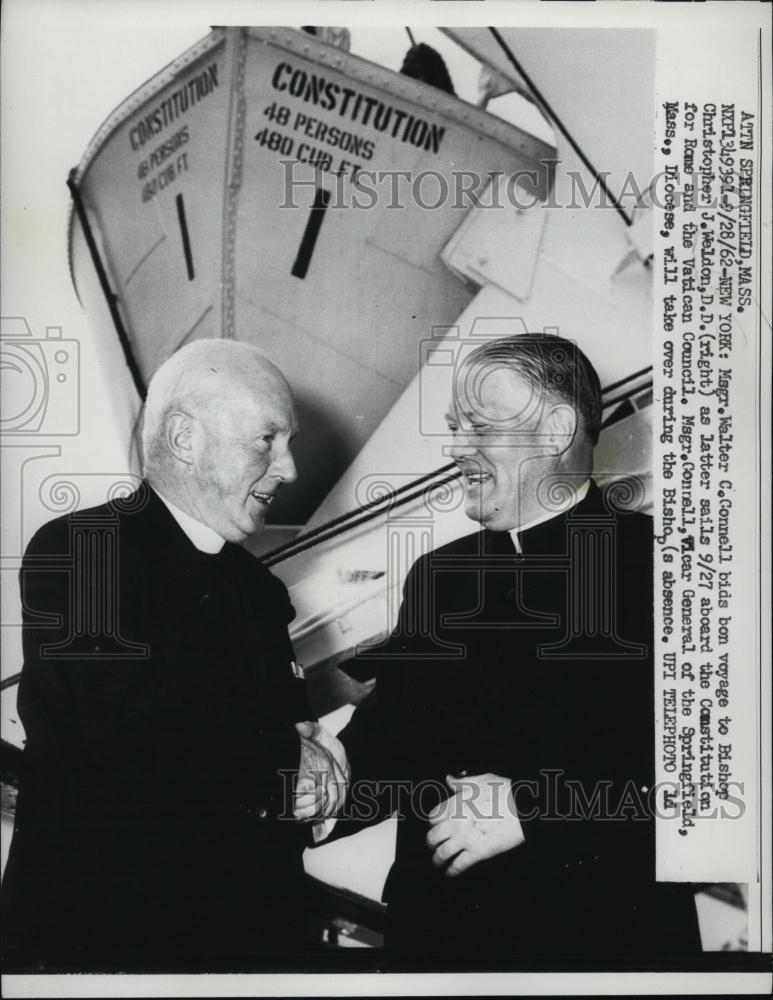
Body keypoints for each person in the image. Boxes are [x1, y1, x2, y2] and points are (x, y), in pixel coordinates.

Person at [328, 333, 701, 961]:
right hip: (440, 943)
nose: (456, 449)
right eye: (454, 427)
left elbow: (713, 791)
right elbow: (394, 735)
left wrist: (538, 806)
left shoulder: (676, 569)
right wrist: (327, 778)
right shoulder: (438, 577)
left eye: (479, 425)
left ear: (557, 428)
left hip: (600, 946)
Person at [2, 340, 347, 970]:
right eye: (267, 440)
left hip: (243, 946)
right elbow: (127, 725)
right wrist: (290, 757)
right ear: (185, 438)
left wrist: (319, 769)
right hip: (108, 946)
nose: (290, 469)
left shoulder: (259, 591)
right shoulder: (84, 551)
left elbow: (286, 737)